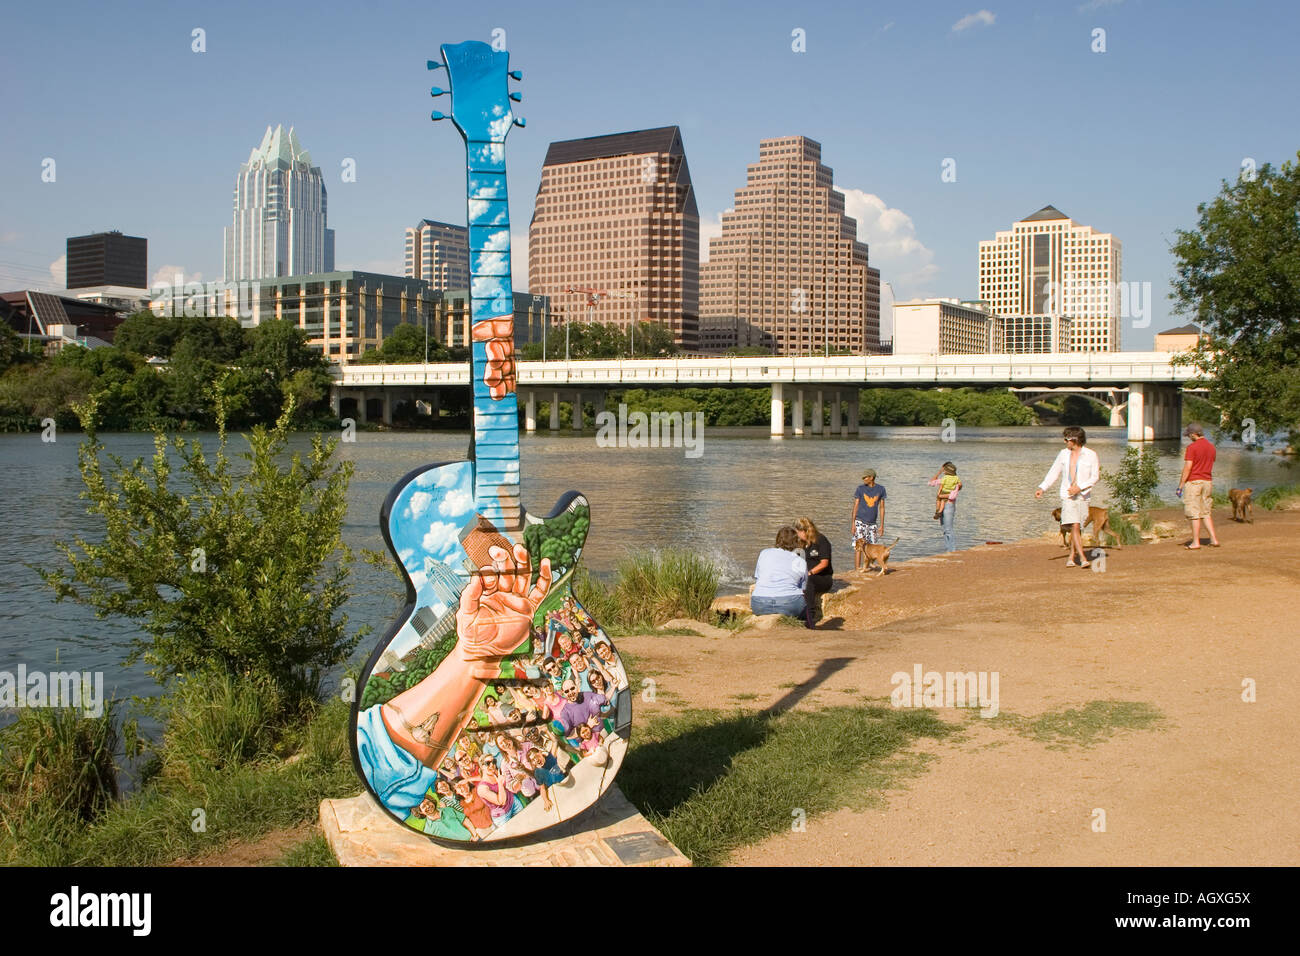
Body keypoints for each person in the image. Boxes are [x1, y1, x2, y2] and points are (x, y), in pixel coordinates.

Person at [1035, 426, 1100, 568]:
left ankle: (1071, 556)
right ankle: (1083, 558)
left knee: (1078, 527)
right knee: (1074, 525)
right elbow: (1054, 472)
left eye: (1066, 439)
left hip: (1083, 496)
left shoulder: (1091, 455)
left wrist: (1080, 487)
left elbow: (1095, 477)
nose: (1065, 442)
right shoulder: (1063, 454)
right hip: (1067, 495)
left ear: (1075, 440)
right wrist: (1043, 488)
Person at [1178, 422, 1220, 549]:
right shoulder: (1212, 447)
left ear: (1193, 434)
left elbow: (1188, 468)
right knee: (1206, 512)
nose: (1188, 437)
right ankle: (1214, 539)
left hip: (1194, 482)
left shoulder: (1192, 448)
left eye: (1189, 435)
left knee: (1194, 512)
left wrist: (1180, 486)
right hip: (1208, 481)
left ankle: (1196, 542)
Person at [750, 526, 808, 617]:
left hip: (760, 603)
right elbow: (803, 589)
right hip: (790, 603)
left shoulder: (764, 553)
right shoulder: (800, 560)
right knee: (803, 608)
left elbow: (758, 577)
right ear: (796, 542)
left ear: (777, 539)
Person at [794, 516, 832, 629]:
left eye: (798, 532)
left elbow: (824, 563)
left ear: (804, 531)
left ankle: (809, 616)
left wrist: (810, 573)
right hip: (807, 575)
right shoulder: (801, 543)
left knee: (808, 581)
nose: (797, 535)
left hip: (822, 578)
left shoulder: (821, 540)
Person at [851, 470, 887, 571]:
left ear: (871, 478)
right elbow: (856, 506)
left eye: (865, 477)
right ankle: (857, 568)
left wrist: (882, 525)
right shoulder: (860, 489)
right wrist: (853, 524)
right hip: (860, 521)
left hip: (872, 523)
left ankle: (867, 565)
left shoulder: (881, 489)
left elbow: (882, 508)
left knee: (872, 546)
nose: (863, 479)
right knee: (858, 546)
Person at [929, 462, 962, 553]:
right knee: (944, 528)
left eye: (944, 469)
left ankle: (952, 550)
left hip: (949, 504)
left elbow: (952, 496)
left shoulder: (953, 481)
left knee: (948, 529)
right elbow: (931, 482)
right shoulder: (947, 479)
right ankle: (948, 549)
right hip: (945, 503)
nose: (943, 471)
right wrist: (939, 472)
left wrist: (940, 496)